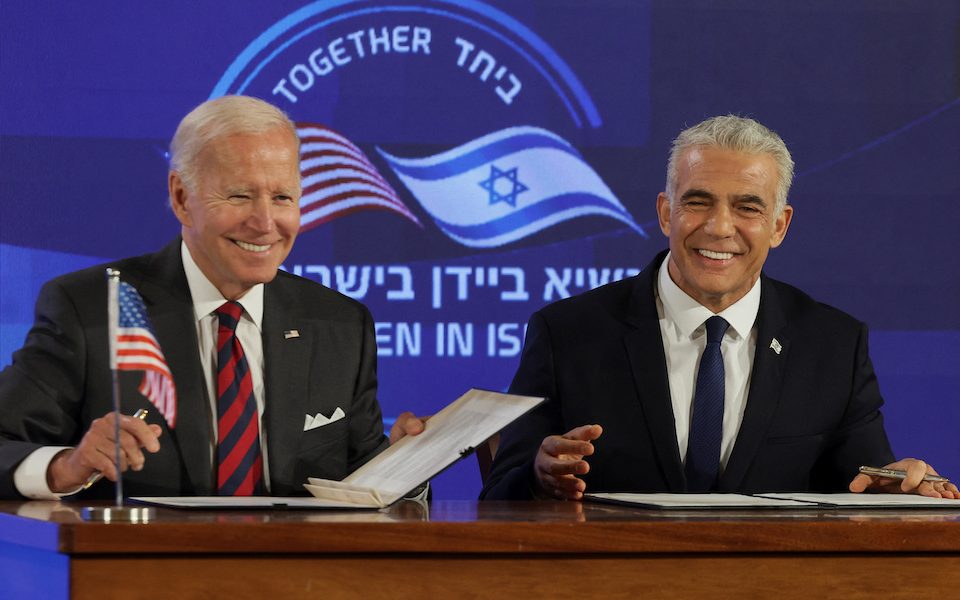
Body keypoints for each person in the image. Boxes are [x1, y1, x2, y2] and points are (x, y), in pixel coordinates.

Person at [480, 115, 957, 501]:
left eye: (748, 207)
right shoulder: (568, 333)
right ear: (666, 213)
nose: (719, 227)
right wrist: (539, 478)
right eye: (698, 202)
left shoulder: (832, 345)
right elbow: (499, 496)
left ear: (779, 225)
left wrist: (898, 488)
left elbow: (863, 484)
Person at [0, 95, 425, 499]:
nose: (265, 223)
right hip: (143, 553)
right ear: (182, 198)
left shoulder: (339, 324)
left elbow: (361, 487)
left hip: (298, 556)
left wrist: (404, 467)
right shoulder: (91, 308)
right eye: (240, 196)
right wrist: (66, 466)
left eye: (282, 197)